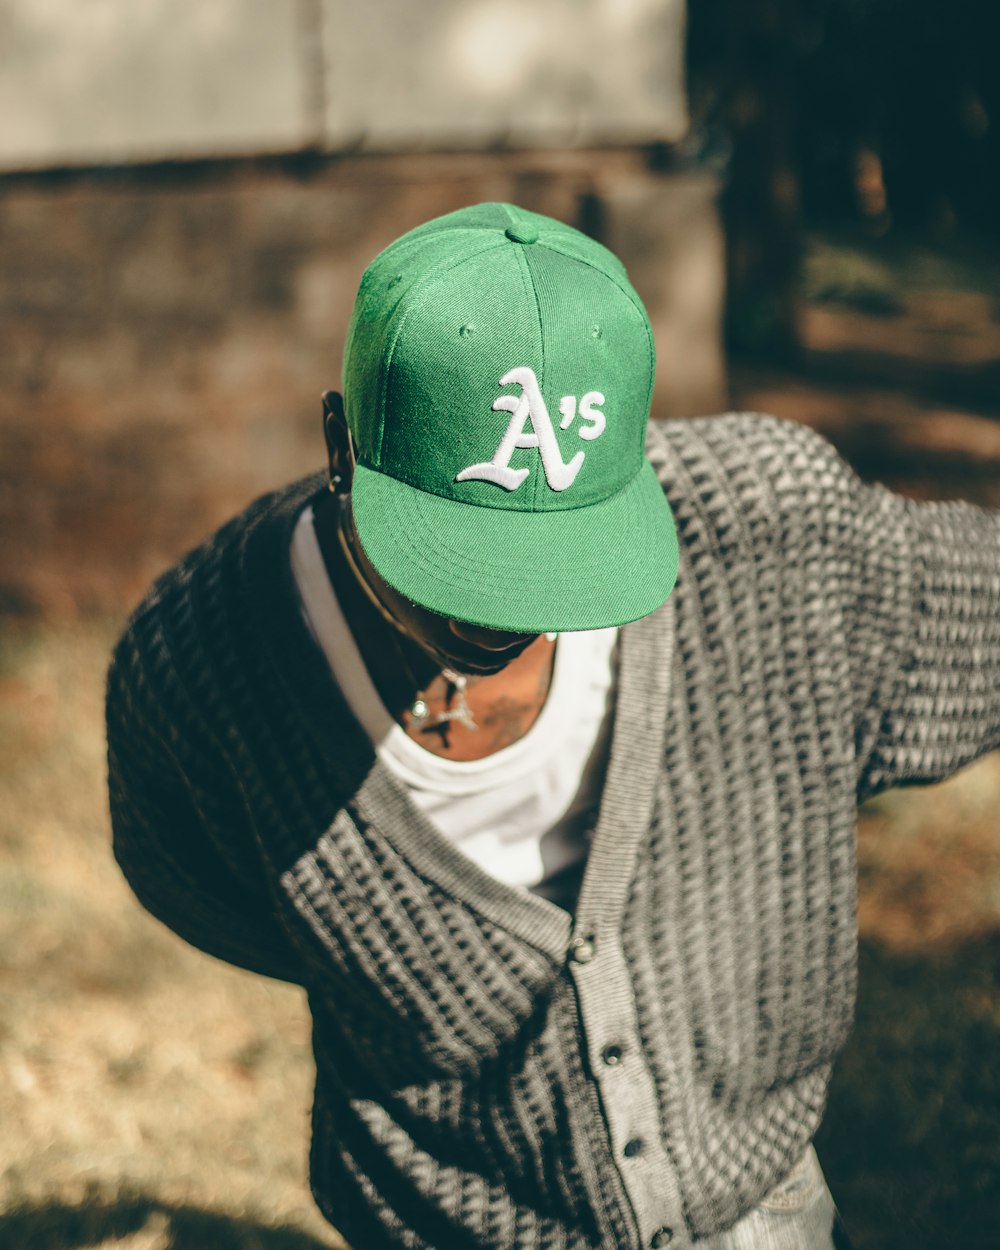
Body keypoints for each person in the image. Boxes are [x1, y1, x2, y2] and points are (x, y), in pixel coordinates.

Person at [106, 202, 1000, 1250]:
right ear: (342, 445)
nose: (502, 613)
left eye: (559, 558)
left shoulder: (774, 539)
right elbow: (197, 884)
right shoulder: (201, 666)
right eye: (456, 556)